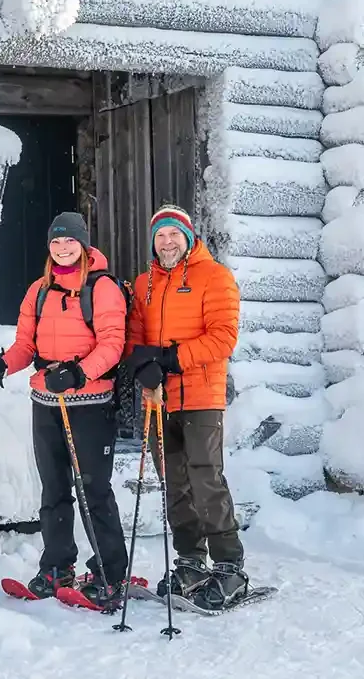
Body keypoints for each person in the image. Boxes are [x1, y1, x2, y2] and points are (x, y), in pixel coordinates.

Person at [0, 211, 129, 607]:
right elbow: (26, 345)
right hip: (46, 400)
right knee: (54, 489)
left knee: (93, 489)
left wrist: (79, 373)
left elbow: (112, 345)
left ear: (83, 244)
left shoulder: (103, 288)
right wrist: (1, 364)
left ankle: (110, 572)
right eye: (56, 242)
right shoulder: (39, 290)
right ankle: (57, 567)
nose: (62, 249)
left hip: (91, 402)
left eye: (69, 241)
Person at [124, 204, 247, 611]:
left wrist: (171, 360)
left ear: (189, 237)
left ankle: (229, 565)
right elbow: (136, 336)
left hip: (200, 397)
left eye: (174, 234)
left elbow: (223, 337)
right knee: (174, 485)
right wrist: (144, 366)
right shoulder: (144, 284)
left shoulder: (215, 277)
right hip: (159, 400)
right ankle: (191, 560)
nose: (167, 241)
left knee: (206, 480)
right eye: (160, 235)